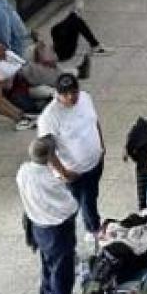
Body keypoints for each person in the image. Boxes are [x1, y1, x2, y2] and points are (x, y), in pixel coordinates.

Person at [19, 135, 80, 294]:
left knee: (47, 264)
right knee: (62, 270)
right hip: (56, 231)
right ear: (49, 156)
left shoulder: (24, 171)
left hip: (37, 227)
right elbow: (69, 206)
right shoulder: (50, 181)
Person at [38, 73, 106, 236]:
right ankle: (93, 231)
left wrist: (101, 145)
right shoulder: (49, 117)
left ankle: (92, 226)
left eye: (74, 92)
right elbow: (47, 150)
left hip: (95, 162)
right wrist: (63, 172)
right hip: (74, 172)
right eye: (65, 94)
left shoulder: (85, 98)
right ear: (57, 93)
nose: (71, 97)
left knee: (91, 197)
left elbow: (94, 121)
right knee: (84, 202)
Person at [0, 38, 52, 112]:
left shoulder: (8, 53)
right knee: (35, 103)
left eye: (3, 49)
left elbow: (23, 63)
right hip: (17, 89)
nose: (2, 52)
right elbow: (5, 87)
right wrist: (16, 75)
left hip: (29, 78)